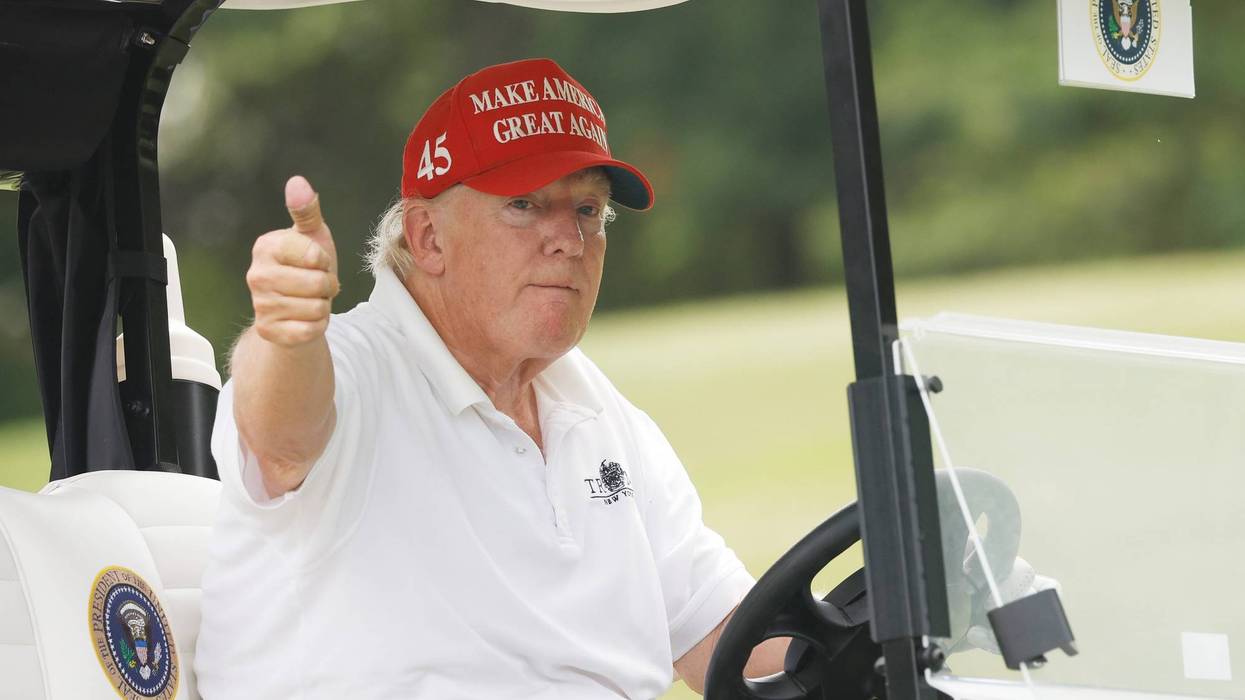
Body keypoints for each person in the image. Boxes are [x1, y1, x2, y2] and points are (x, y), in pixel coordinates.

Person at [195, 57, 786, 699]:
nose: (569, 239)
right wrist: (285, 335)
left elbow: (724, 637)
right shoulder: (355, 364)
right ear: (427, 239)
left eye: (588, 208)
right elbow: (281, 440)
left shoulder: (595, 409)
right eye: (525, 205)